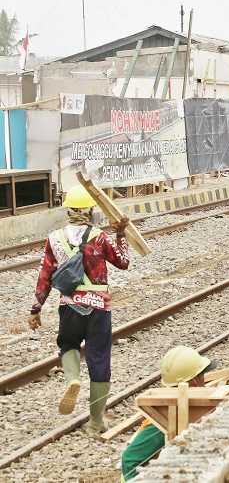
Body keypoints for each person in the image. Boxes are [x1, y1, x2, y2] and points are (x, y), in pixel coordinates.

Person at [29, 185, 130, 434]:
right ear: (91, 210)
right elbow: (123, 262)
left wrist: (36, 308)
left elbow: (45, 275)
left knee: (68, 345)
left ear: (68, 211)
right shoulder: (99, 237)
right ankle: (96, 421)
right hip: (99, 306)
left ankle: (72, 377)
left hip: (70, 304)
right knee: (99, 359)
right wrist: (121, 235)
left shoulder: (54, 239)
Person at [120, 346, 214, 480]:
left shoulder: (180, 406)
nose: (204, 380)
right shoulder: (166, 418)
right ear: (194, 381)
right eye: (202, 375)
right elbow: (129, 460)